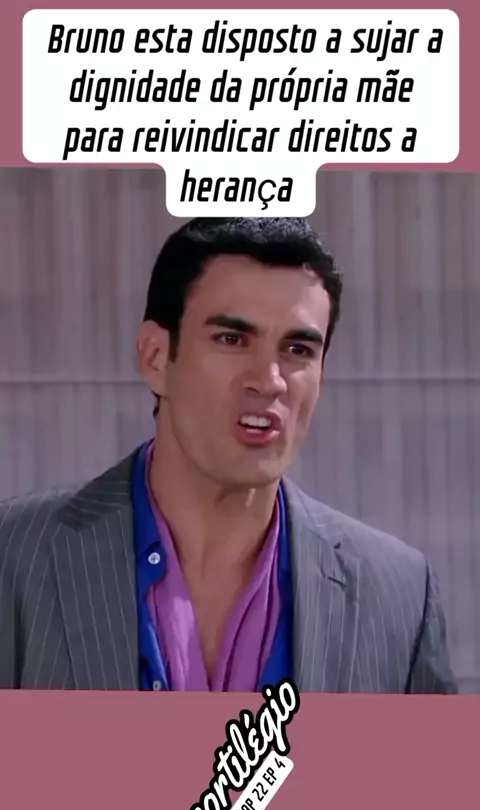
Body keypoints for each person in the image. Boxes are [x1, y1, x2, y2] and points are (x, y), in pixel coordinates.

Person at [0, 216, 457, 693]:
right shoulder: (15, 556)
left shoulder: (399, 596)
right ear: (156, 358)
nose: (269, 380)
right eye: (232, 340)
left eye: (298, 349)